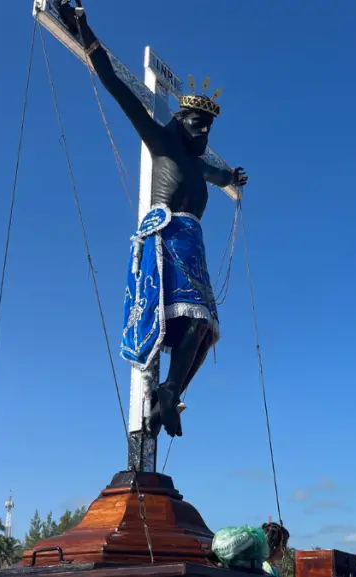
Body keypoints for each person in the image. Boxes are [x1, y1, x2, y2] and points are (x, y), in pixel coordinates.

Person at [53, 0, 248, 439]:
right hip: (169, 237)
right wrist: (85, 31)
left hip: (194, 247)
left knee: (201, 326)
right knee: (176, 323)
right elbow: (115, 85)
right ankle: (159, 398)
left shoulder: (201, 166)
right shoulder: (161, 141)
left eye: (208, 130)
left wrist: (233, 176)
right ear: (180, 119)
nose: (203, 134)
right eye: (197, 124)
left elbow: (221, 175)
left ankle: (169, 393)